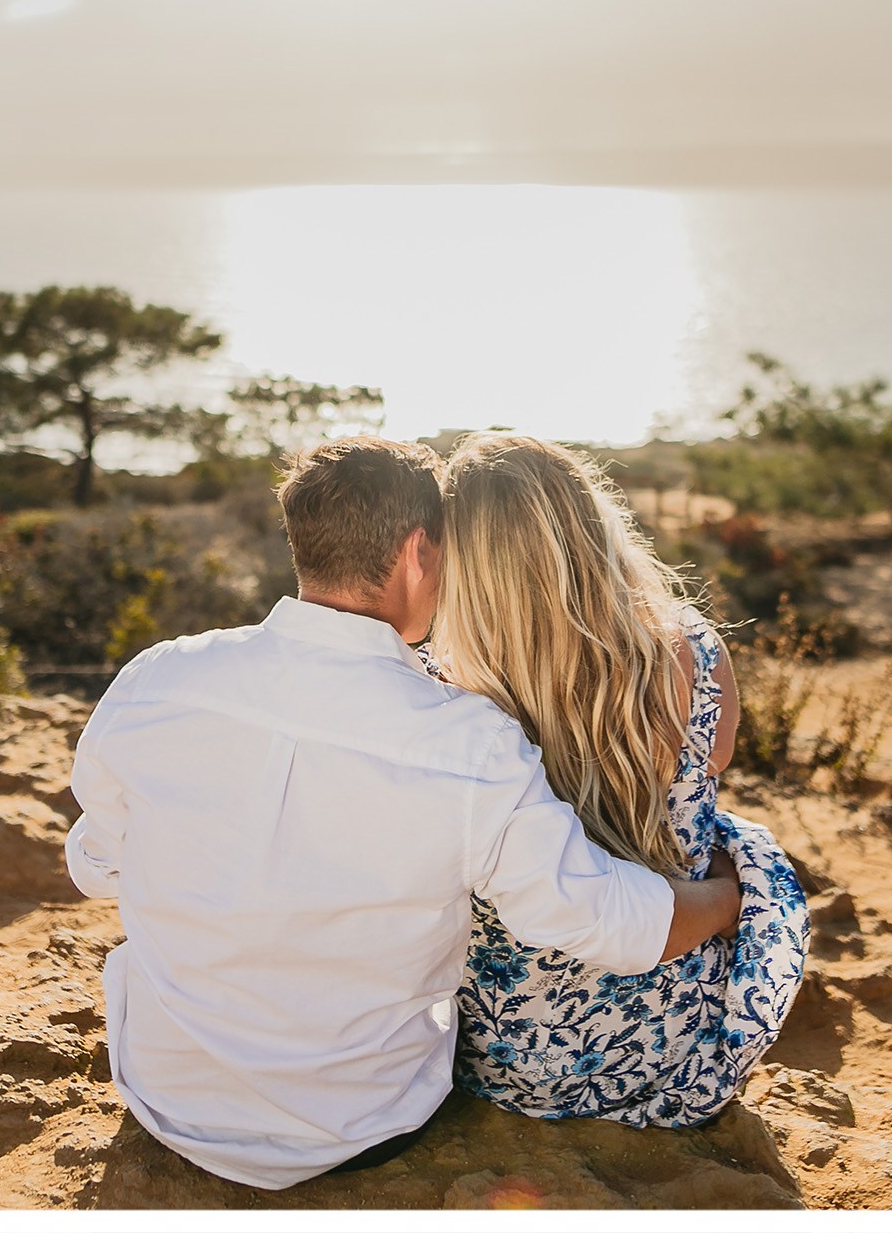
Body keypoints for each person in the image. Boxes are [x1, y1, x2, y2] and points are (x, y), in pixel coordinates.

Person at [62, 436, 744, 1190]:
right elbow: (597, 920)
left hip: (165, 1099)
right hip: (359, 1128)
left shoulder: (159, 676)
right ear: (420, 553)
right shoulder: (466, 742)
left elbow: (94, 866)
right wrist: (729, 897)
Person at [433, 433, 808, 1126]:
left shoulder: (445, 688)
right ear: (591, 522)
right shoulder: (695, 652)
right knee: (748, 847)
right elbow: (713, 764)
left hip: (495, 1053)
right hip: (664, 1043)